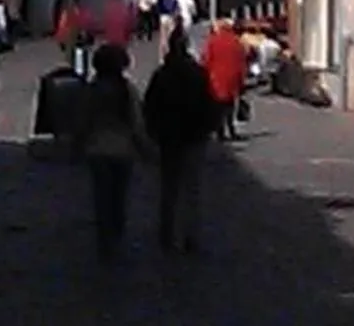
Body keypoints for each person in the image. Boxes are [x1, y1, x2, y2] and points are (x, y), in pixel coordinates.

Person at [142, 29, 216, 252]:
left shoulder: (162, 74)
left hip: (169, 138)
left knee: (169, 188)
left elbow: (149, 107)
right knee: (192, 190)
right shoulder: (197, 74)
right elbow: (208, 105)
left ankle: (166, 233)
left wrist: (153, 133)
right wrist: (207, 129)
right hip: (194, 137)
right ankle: (190, 235)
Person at [77, 42, 152, 259]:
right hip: (122, 150)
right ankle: (116, 236)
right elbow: (137, 122)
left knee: (101, 197)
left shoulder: (92, 89)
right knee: (118, 197)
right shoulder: (126, 90)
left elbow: (83, 119)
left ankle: (104, 240)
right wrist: (145, 148)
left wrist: (77, 143)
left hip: (97, 149)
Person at [203, 17, 248, 143]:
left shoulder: (213, 41)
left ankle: (220, 131)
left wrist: (204, 75)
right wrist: (242, 79)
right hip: (232, 78)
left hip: (216, 78)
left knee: (217, 106)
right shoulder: (237, 42)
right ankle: (231, 128)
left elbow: (206, 59)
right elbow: (242, 62)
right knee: (230, 105)